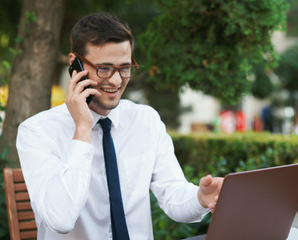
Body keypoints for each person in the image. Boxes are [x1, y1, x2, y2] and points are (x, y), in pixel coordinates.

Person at [16, 12, 223, 239]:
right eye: (103, 68)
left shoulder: (146, 120)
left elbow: (173, 194)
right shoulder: (37, 131)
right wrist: (83, 130)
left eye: (124, 68)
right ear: (74, 63)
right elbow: (61, 220)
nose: (116, 81)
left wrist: (201, 199)